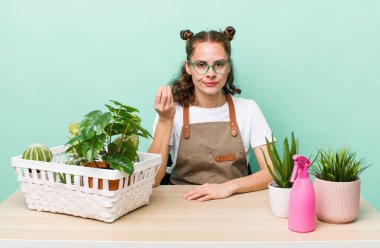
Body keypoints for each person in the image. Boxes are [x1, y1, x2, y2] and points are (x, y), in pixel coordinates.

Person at [148, 26, 274, 202]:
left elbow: (274, 172)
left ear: (228, 67)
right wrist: (165, 121)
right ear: (188, 68)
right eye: (201, 65)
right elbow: (151, 179)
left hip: (237, 204)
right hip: (182, 204)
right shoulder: (171, 111)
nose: (211, 74)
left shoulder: (248, 109)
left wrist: (228, 187)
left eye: (219, 64)